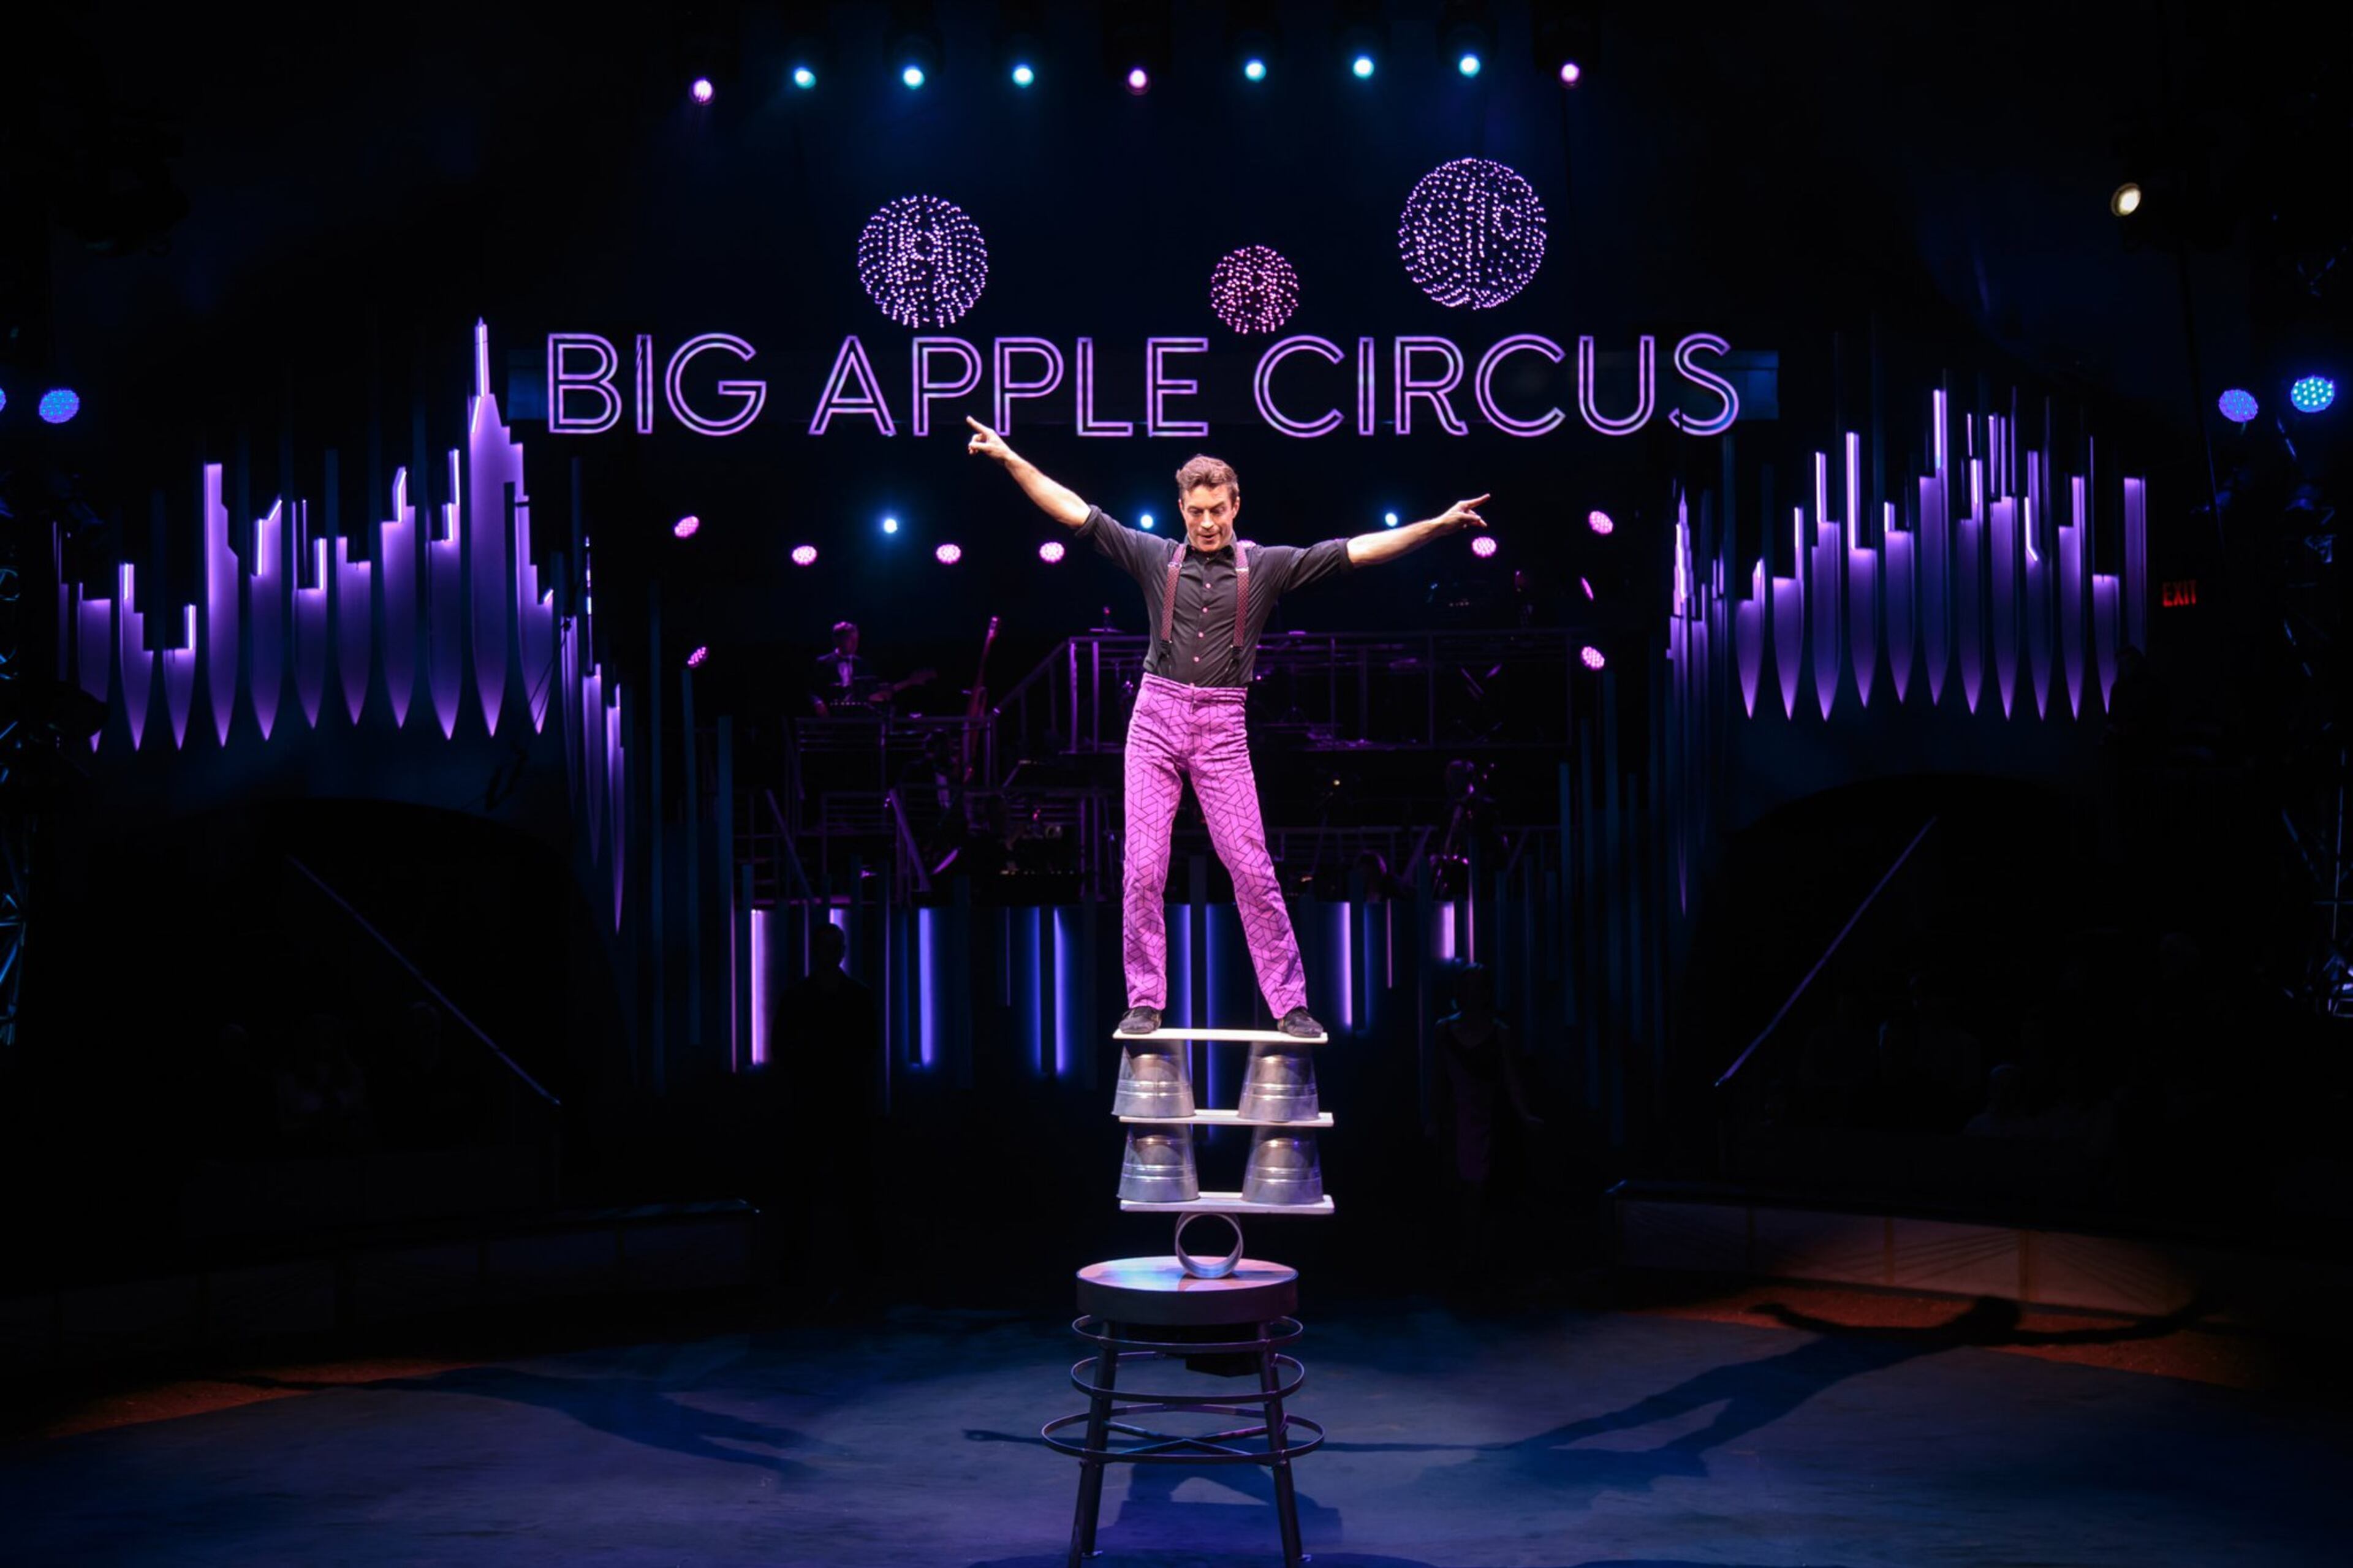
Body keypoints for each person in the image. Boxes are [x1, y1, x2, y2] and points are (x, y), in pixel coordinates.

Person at [967, 415, 1490, 1038]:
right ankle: (1145, 1000)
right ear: (1181, 510)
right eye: (1196, 512)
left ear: (1235, 505)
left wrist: (1435, 525)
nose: (1208, 522)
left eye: (1217, 510)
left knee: (1252, 868)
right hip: (1155, 721)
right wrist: (1009, 458)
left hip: (1222, 727)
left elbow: (1356, 550)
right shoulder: (1155, 557)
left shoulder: (1265, 567)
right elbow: (1072, 510)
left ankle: (1291, 1004)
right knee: (1143, 867)